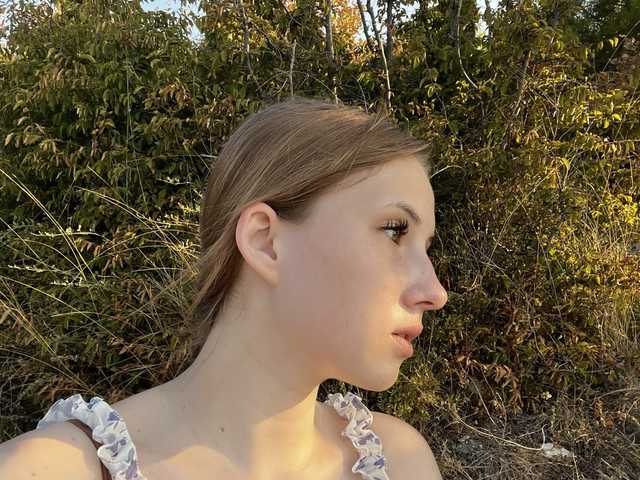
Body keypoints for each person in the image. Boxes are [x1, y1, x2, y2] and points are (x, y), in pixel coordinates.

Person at [0, 96, 447, 479]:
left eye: (425, 247)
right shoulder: (49, 470)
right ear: (265, 241)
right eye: (394, 231)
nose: (434, 291)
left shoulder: (402, 461)